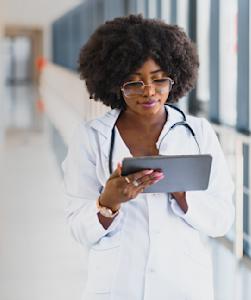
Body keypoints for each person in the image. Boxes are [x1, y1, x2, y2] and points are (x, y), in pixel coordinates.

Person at [62, 14, 235, 300]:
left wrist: (183, 195)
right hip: (118, 285)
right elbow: (78, 229)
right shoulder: (91, 138)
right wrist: (108, 202)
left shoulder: (197, 133)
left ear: (175, 78)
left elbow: (223, 219)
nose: (149, 92)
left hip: (183, 284)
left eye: (159, 80)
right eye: (134, 83)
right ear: (115, 83)